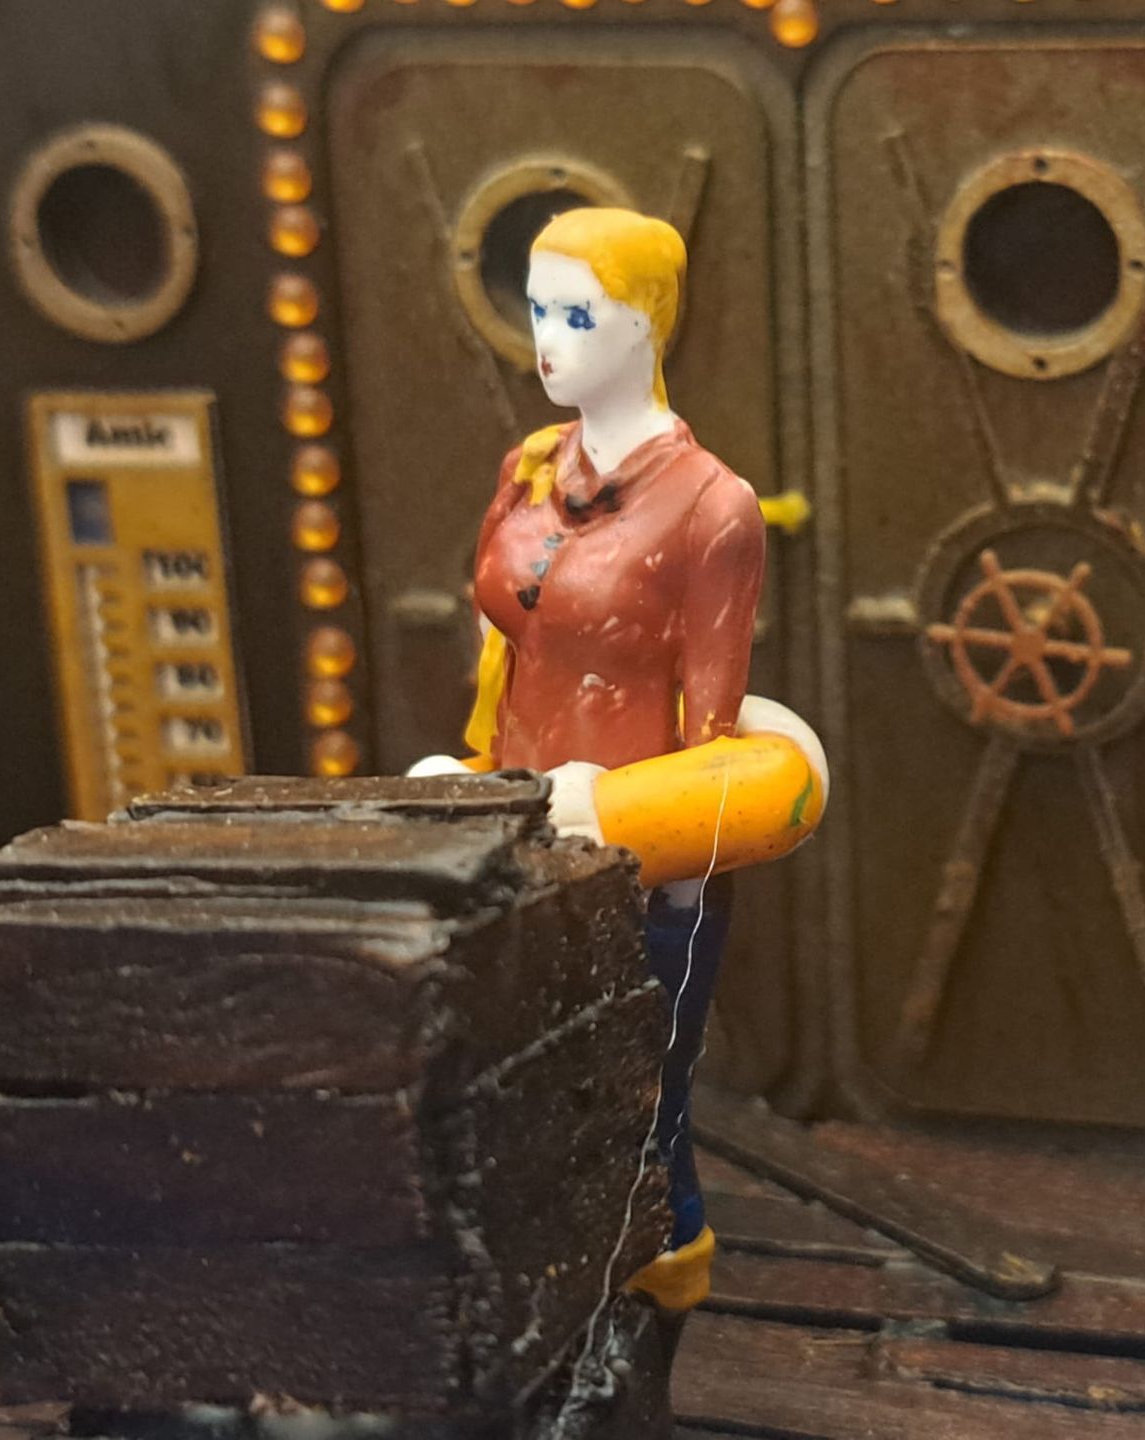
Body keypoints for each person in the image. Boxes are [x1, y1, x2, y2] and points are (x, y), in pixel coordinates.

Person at [411, 207, 826, 1313]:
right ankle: (547, 1295)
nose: (547, 340)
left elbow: (711, 727)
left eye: (578, 316)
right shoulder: (528, 468)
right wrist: (473, 776)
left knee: (638, 1107)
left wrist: (659, 863)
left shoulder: (715, 508)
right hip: (512, 834)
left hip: (633, 853)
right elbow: (503, 648)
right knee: (514, 1083)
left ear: (646, 322)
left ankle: (658, 1289)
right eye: (538, 310)